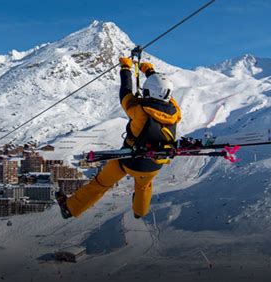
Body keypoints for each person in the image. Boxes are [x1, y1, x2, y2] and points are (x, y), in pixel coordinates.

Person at [56, 57, 182, 219]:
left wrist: (125, 69)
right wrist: (150, 72)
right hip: (153, 163)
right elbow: (164, 92)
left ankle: (71, 208)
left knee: (101, 183)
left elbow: (125, 94)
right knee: (143, 186)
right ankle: (139, 212)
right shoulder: (175, 112)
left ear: (148, 91)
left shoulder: (139, 110)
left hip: (128, 160)